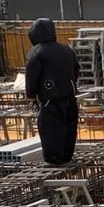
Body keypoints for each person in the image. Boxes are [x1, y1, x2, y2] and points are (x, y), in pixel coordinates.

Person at [22, 18, 79, 165]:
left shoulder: (37, 52)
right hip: (70, 97)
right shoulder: (67, 49)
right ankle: (66, 157)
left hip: (50, 100)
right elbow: (76, 69)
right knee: (69, 129)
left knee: (51, 131)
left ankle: (54, 161)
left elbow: (32, 75)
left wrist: (31, 95)